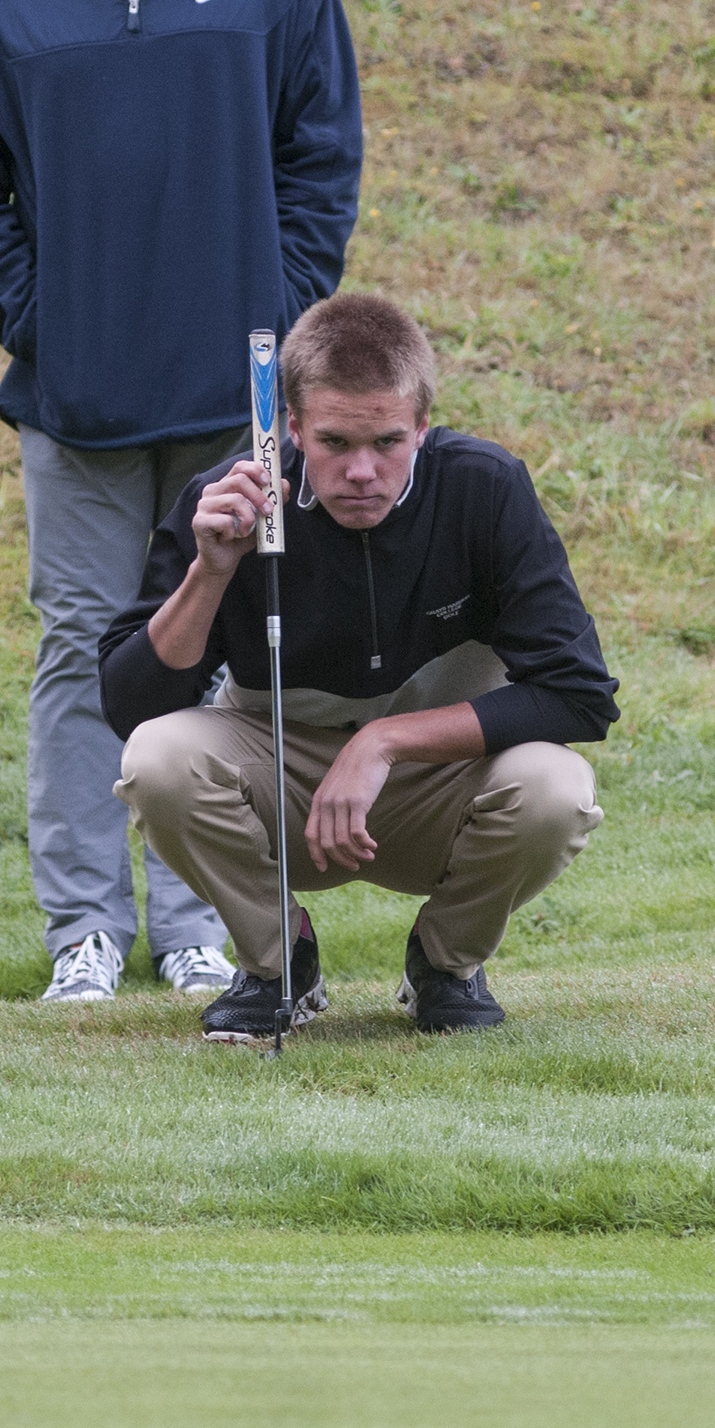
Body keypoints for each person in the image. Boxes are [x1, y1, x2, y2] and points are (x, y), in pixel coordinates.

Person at [0, 0, 363, 1003]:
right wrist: (43, 322)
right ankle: (84, 933)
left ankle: (200, 926)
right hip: (80, 402)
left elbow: (320, 151)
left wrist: (277, 307)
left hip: (235, 397)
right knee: (81, 653)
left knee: (219, 657)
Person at [100, 294, 618, 1042]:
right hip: (282, 782)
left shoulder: (485, 487)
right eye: (335, 442)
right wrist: (210, 573)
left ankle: (444, 966)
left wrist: (383, 742)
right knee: (157, 758)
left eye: (387, 441)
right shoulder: (232, 499)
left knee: (556, 787)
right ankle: (280, 962)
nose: (362, 471)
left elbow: (579, 695)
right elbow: (131, 708)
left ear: (422, 427)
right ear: (292, 429)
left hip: (436, 783)